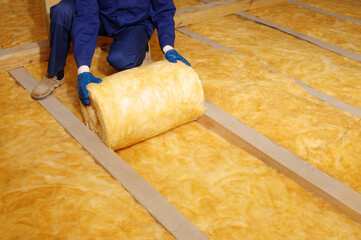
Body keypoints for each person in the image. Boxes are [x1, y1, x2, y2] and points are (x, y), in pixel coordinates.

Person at [31, 0, 190, 106]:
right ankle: (55, 73)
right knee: (62, 11)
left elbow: (163, 10)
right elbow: (86, 17)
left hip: (135, 22)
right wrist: (83, 70)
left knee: (121, 59)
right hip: (102, 17)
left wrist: (168, 47)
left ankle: (139, 45)